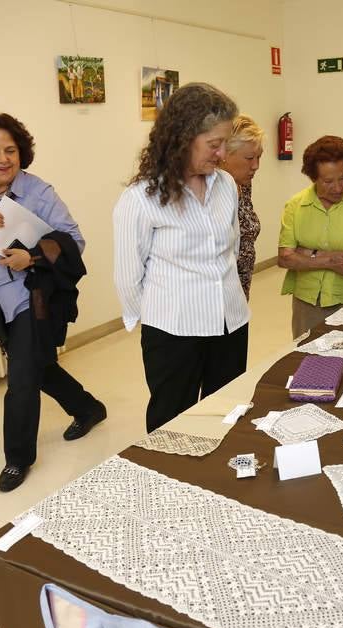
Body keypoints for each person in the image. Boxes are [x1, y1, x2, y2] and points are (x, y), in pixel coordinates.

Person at [0, 113, 106, 492]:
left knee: (21, 380)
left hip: (32, 297)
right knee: (38, 367)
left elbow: (74, 240)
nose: (3, 159)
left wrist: (31, 257)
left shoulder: (39, 191)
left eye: (10, 150)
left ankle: (17, 459)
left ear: (21, 152)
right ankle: (88, 408)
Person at [114, 83, 250, 433]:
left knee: (226, 413)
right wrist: (154, 318)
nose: (221, 154)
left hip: (230, 322)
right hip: (175, 331)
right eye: (214, 144)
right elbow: (129, 276)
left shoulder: (226, 186)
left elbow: (231, 247)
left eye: (225, 144)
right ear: (182, 138)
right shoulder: (141, 199)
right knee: (171, 422)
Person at [277, 136, 343, 338]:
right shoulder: (295, 205)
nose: (338, 187)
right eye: (328, 181)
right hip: (308, 300)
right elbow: (285, 258)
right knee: (307, 358)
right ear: (313, 178)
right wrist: (331, 260)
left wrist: (306, 253)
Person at [219, 114, 264, 299]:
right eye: (249, 158)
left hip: (240, 296)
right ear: (223, 155)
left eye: (259, 157)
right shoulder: (210, 192)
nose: (256, 166)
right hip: (215, 299)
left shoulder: (243, 185)